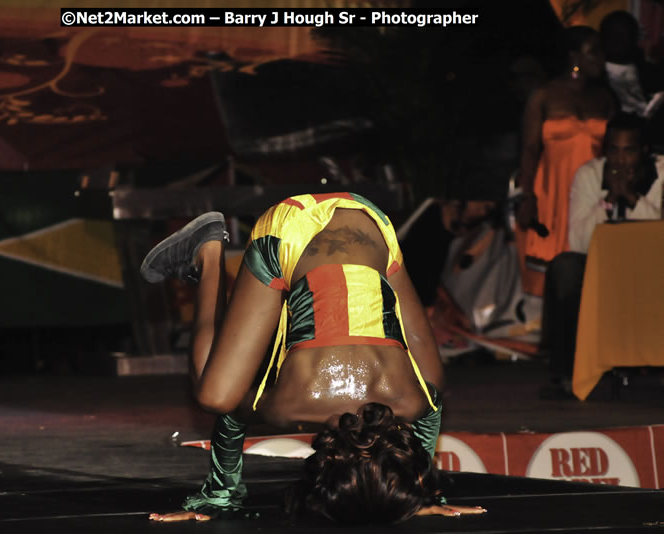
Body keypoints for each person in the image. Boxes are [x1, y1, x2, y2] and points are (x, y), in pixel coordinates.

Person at [140, 193, 485, 523]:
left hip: (371, 222)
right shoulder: (293, 407)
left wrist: (419, 492)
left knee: (432, 383)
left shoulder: (412, 402)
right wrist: (219, 497)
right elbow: (230, 419)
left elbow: (432, 408)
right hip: (290, 231)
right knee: (216, 396)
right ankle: (208, 251)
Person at [540, 113, 663, 397]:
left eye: (629, 150)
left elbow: (659, 233)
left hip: (652, 266)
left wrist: (632, 198)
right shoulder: (589, 175)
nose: (620, 160)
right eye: (613, 150)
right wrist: (608, 201)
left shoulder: (662, 174)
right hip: (603, 266)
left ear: (644, 150)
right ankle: (568, 371)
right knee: (565, 268)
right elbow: (578, 241)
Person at [516, 26, 616, 295]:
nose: (601, 59)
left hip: (591, 193)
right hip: (552, 193)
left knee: (588, 274)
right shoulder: (544, 95)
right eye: (593, 52)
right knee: (551, 280)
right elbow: (529, 149)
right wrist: (527, 197)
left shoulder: (604, 98)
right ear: (574, 56)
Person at [600, 10, 664, 152]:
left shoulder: (653, 74)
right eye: (614, 35)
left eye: (625, 35)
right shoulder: (595, 76)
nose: (620, 42)